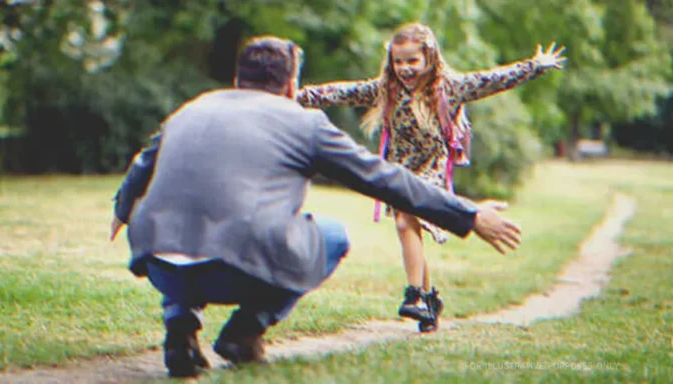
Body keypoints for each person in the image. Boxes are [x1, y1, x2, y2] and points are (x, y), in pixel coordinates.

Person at [109, 35, 522, 378]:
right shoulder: (305, 124)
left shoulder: (191, 108)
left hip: (158, 262)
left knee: (186, 221)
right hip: (236, 269)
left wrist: (122, 208)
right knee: (332, 235)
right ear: (292, 86)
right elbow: (384, 178)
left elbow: (144, 161)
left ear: (238, 79)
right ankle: (245, 330)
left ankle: (179, 324)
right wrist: (468, 214)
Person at [295, 22, 565, 332]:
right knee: (410, 228)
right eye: (399, 61)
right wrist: (297, 95)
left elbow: (493, 80)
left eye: (412, 61)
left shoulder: (449, 87)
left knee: (403, 221)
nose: (405, 68)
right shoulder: (387, 88)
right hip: (399, 168)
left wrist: (535, 67)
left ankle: (415, 295)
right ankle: (428, 300)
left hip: (433, 167)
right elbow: (343, 92)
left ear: (430, 58)